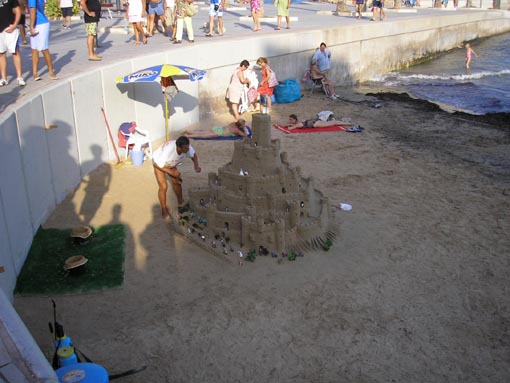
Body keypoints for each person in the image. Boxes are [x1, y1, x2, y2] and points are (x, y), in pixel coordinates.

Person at [152, 136, 201, 219]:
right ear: (178, 148)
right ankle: (164, 210)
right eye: (185, 148)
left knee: (177, 182)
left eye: (188, 147)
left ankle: (180, 201)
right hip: (158, 163)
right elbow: (156, 164)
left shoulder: (187, 147)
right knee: (163, 187)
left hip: (171, 162)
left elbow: (194, 155)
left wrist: (196, 166)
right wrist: (171, 172)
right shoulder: (168, 151)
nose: (188, 149)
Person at [28, 0, 58, 81]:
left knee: (44, 49)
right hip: (35, 23)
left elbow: (33, 11)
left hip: (41, 24)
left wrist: (31, 27)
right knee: (34, 49)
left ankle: (51, 71)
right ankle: (35, 73)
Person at [0, 0, 25, 86]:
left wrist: (15, 25)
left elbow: (18, 11)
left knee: (15, 52)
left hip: (10, 29)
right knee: (1, 54)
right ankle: (3, 78)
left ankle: (19, 77)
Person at [286, 114, 352, 130]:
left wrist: (289, 125)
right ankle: (344, 121)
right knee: (332, 122)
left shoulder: (298, 124)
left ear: (295, 119)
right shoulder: (299, 121)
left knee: (333, 122)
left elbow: (290, 128)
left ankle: (347, 123)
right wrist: (290, 124)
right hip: (315, 121)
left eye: (291, 119)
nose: (290, 121)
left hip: (316, 123)